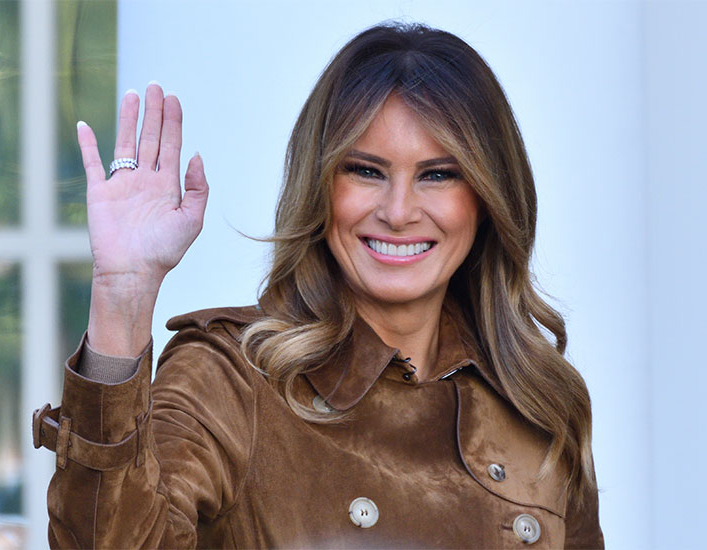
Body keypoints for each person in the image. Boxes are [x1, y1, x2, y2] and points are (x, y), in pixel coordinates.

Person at [33, 23, 604, 548]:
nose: (399, 211)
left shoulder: (537, 401)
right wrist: (122, 294)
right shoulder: (234, 375)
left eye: (438, 174)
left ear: (486, 197)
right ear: (320, 186)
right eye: (365, 170)